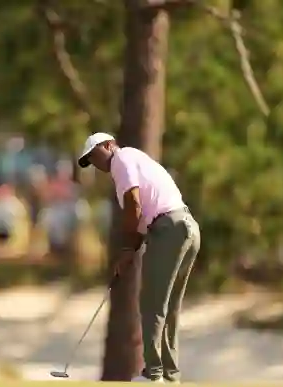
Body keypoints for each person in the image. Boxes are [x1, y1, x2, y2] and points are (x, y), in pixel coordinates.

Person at [77, 132, 200, 383]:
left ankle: (153, 374)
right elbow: (142, 216)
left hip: (169, 229)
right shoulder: (137, 160)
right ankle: (169, 375)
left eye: (95, 154)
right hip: (187, 228)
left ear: (109, 145)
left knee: (152, 304)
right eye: (89, 160)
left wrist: (125, 250)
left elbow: (133, 205)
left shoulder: (121, 160)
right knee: (168, 306)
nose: (95, 163)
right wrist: (131, 249)